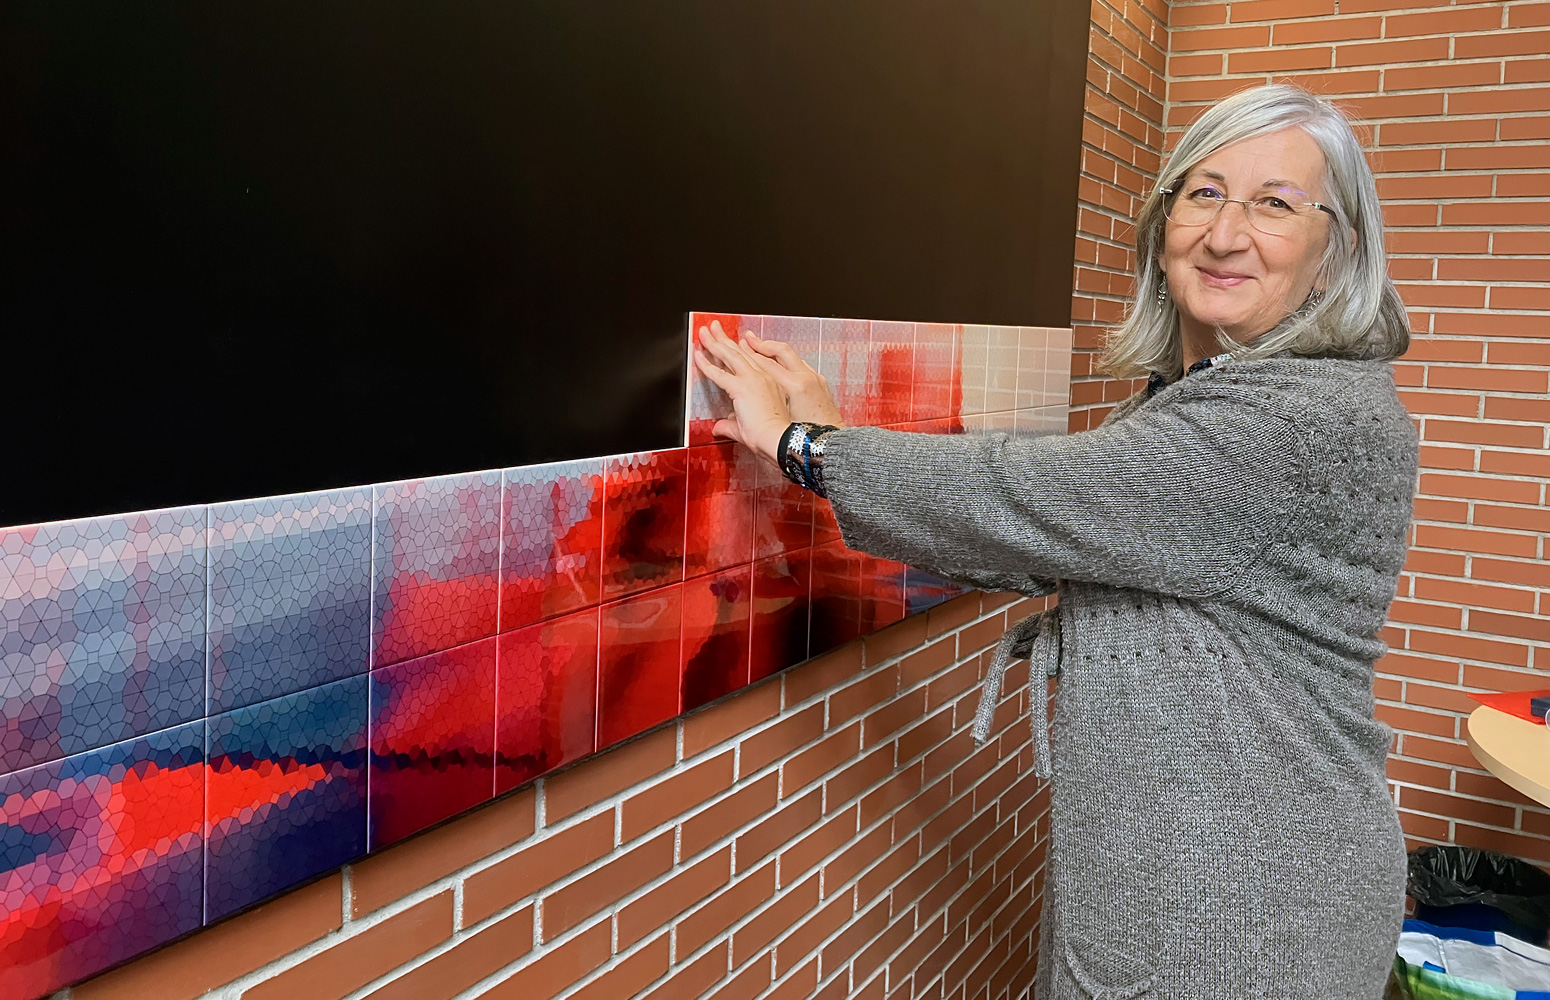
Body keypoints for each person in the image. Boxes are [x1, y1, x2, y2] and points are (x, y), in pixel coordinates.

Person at [693, 83, 1418, 999]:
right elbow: (1055, 534)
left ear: (1336, 251)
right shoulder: (1220, 397)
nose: (1226, 233)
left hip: (1240, 916)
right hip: (1220, 884)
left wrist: (806, 447)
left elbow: (1022, 497)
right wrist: (838, 446)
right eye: (1203, 192)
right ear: (1163, 222)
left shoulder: (1288, 424)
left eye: (1275, 203)